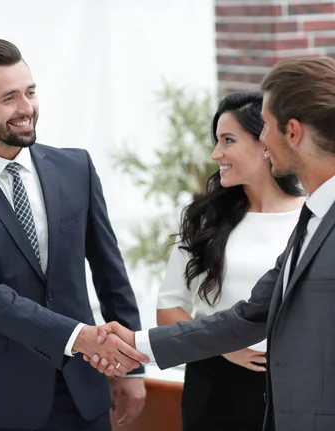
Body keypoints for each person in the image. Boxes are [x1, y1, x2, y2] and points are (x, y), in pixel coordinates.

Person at [87, 56, 335, 431]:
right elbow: (249, 316)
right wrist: (136, 344)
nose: (264, 139)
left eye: (265, 126)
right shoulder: (312, 219)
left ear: (293, 132)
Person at [0, 39, 148, 431]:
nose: (26, 109)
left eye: (31, 92)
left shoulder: (77, 167)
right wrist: (80, 337)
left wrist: (132, 367)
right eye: (9, 98)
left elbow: (111, 272)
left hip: (83, 386)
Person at [156, 91, 303, 430]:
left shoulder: (312, 219)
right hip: (213, 387)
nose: (215, 153)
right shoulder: (203, 219)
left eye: (228, 140)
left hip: (293, 386)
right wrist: (225, 347)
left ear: (266, 143)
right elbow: (168, 309)